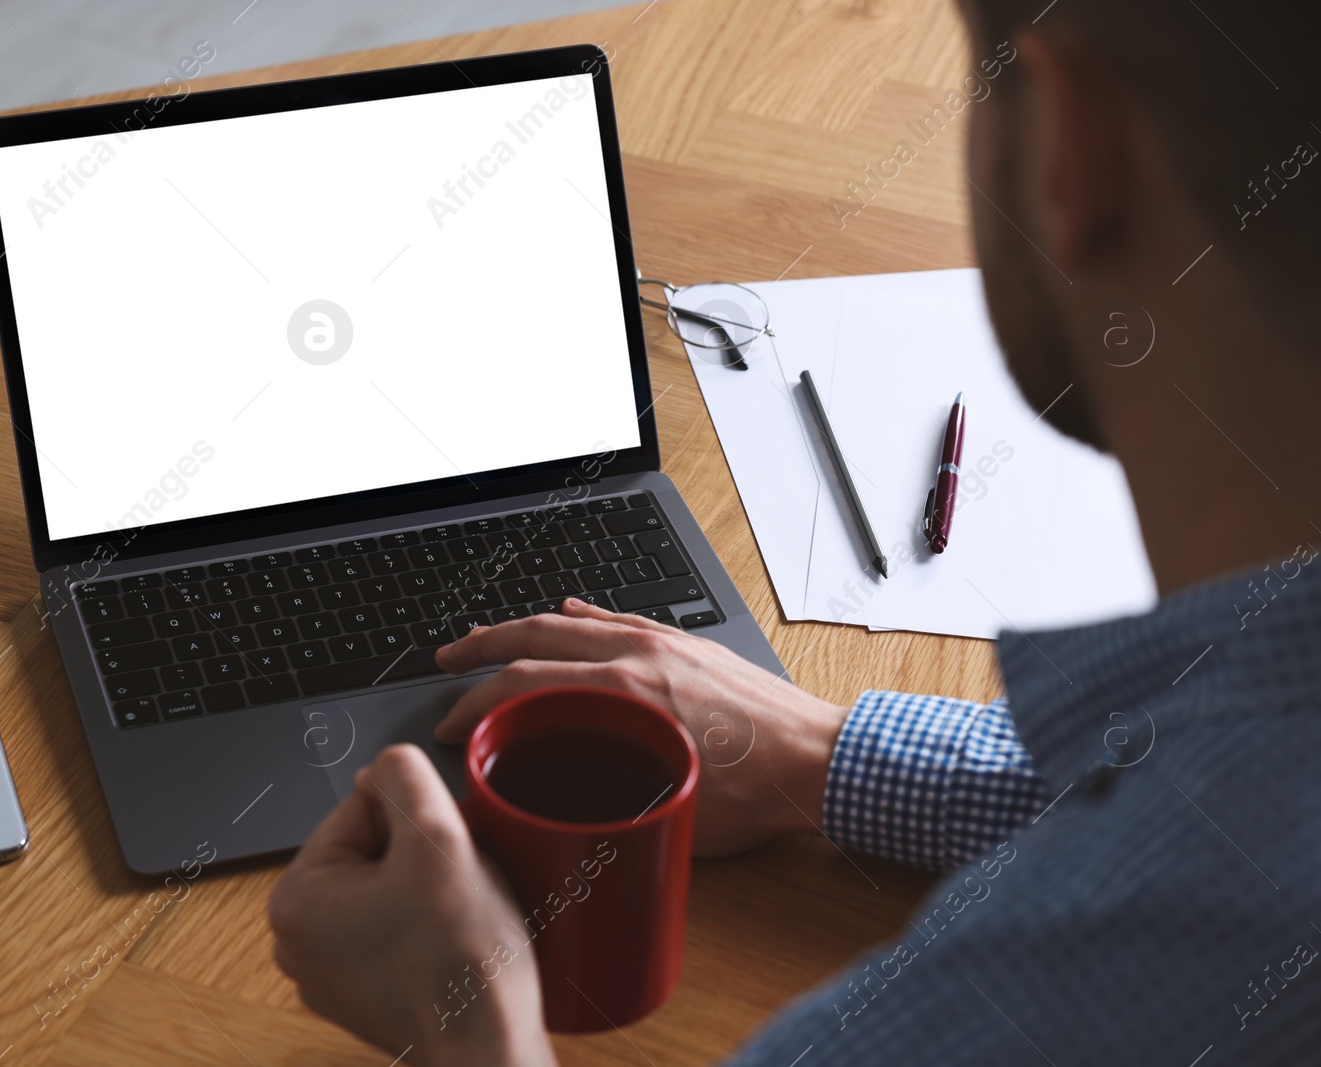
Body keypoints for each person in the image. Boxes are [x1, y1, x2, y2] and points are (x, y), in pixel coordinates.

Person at [267, 0, 1321, 1061]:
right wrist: (820, 757)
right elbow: (1214, 794)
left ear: (1069, 145)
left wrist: (470, 1023)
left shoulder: (1010, 1007)